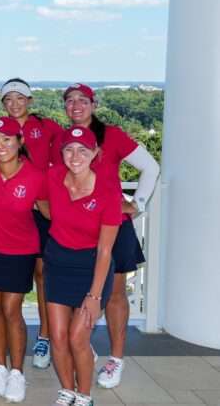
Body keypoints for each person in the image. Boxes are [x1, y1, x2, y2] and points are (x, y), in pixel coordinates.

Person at [55, 83, 160, 388]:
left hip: (113, 226)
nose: (76, 106)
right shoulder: (64, 140)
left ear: (94, 103)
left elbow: (150, 168)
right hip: (77, 230)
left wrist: (136, 204)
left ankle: (115, 359)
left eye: (82, 100)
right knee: (80, 293)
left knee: (114, 294)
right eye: (70, 101)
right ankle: (83, 345)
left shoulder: (111, 135)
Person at [44, 126, 121, 406]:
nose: (75, 156)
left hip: (92, 268)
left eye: (83, 150)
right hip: (57, 264)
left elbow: (105, 250)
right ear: (62, 152)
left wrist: (94, 296)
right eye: (69, 149)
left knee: (78, 337)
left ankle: (85, 395)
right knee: (59, 336)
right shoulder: (52, 176)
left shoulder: (108, 191)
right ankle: (67, 390)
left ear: (95, 153)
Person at [0, 117, 49, 402]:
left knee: (11, 308)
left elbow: (50, 211)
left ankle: (17, 373)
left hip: (20, 251)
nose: (0, 145)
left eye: (7, 139)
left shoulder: (36, 176)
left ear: (20, 142)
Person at [0, 78, 63, 369]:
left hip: (42, 207)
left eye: (19, 98)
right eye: (8, 99)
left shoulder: (47, 126)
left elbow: (71, 154)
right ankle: (9, 325)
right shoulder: (0, 129)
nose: (14, 104)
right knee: (22, 272)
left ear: (30, 101)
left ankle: (46, 335)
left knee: (44, 274)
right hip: (14, 210)